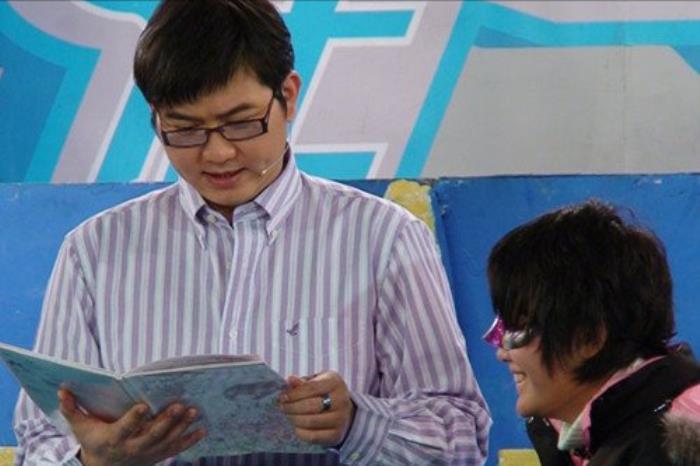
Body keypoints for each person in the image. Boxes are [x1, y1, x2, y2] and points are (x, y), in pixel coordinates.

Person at [12, 1, 491, 465]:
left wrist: (355, 424)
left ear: (288, 96)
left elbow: (463, 438)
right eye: (185, 130)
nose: (217, 154)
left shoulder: (383, 239)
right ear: (156, 117)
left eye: (241, 124)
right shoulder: (94, 252)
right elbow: (38, 443)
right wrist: (93, 460)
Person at [483, 200, 700, 466]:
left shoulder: (671, 447)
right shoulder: (599, 440)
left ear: (589, 338)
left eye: (517, 330)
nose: (502, 352)